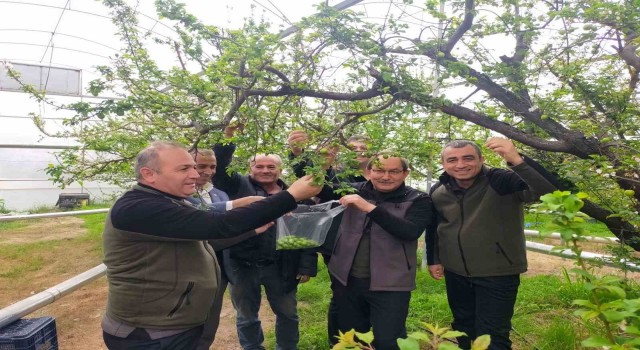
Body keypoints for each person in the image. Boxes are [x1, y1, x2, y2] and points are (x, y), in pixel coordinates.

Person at [101, 141, 320, 350]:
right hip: (151, 333)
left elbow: (207, 238)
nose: (196, 175)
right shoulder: (139, 207)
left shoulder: (172, 200)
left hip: (177, 324)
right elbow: (219, 225)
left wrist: (253, 228)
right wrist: (292, 196)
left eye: (194, 168)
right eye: (184, 169)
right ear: (149, 174)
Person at [425, 138, 557, 350]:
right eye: (452, 160)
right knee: (464, 327)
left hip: (497, 272)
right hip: (455, 273)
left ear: (481, 159)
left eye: (468, 158)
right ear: (444, 163)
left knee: (493, 335)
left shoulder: (500, 180)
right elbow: (434, 227)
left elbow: (548, 192)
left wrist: (515, 159)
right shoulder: (439, 190)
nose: (460, 165)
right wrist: (434, 259)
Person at [213, 127, 318, 350]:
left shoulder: (296, 194)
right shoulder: (238, 186)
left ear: (280, 169)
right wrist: (227, 138)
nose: (265, 170)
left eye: (271, 166)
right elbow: (219, 171)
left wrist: (306, 266)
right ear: (250, 168)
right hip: (242, 265)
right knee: (247, 316)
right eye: (259, 166)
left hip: (282, 267)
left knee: (288, 314)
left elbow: (305, 234)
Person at [318, 152, 433, 350]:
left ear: (405, 174)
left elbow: (409, 231)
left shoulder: (418, 199)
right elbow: (318, 188)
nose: (386, 176)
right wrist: (323, 165)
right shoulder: (352, 190)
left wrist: (368, 207)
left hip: (391, 284)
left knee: (389, 339)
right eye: (379, 170)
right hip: (348, 280)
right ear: (369, 171)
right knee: (353, 338)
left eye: (394, 171)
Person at [286, 130, 372, 346]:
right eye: (353, 149)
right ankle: (340, 342)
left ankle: (369, 337)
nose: (359, 153)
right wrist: (299, 153)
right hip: (340, 246)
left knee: (371, 294)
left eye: (364, 149)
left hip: (376, 247)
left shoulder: (382, 176)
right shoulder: (337, 176)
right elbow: (313, 180)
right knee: (343, 294)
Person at [186, 149, 262, 350]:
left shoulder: (218, 193)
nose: (208, 171)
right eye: (201, 166)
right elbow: (208, 231)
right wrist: (250, 227)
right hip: (192, 273)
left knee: (210, 323)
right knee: (190, 325)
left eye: (212, 166)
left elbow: (228, 228)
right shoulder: (181, 195)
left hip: (220, 269)